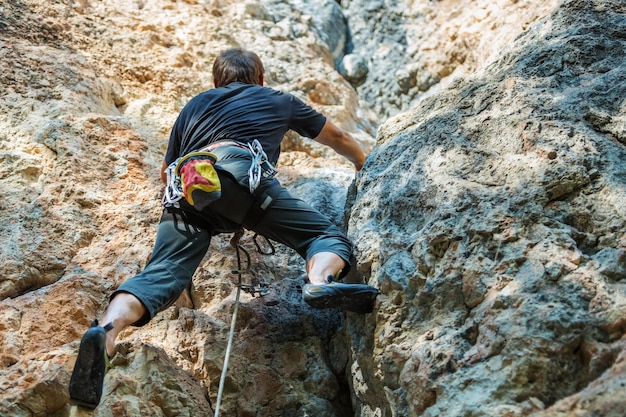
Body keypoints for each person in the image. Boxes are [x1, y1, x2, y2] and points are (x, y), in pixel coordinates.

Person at [69, 48, 380, 410]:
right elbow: (338, 136)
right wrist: (363, 163)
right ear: (260, 78)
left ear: (216, 82)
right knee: (322, 236)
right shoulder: (276, 98)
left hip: (189, 188)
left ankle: (106, 330)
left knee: (161, 273)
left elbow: (165, 171)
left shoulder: (195, 105)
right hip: (240, 178)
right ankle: (321, 283)